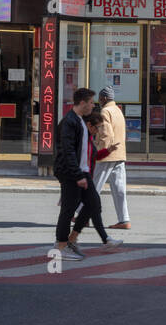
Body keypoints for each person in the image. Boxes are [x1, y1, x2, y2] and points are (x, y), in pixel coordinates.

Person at [52, 88, 122, 260]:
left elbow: (86, 151)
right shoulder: (69, 122)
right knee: (68, 210)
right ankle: (61, 247)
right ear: (82, 103)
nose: (93, 105)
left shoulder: (80, 120)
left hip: (81, 172)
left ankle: (72, 239)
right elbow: (68, 151)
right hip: (71, 173)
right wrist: (77, 175)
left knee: (94, 204)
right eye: (91, 102)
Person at [93, 85, 130, 230]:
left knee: (94, 186)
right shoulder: (117, 110)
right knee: (119, 189)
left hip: (108, 155)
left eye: (100, 98)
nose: (98, 100)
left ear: (104, 98)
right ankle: (124, 219)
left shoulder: (105, 111)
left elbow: (106, 135)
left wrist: (101, 152)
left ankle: (80, 214)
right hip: (120, 154)